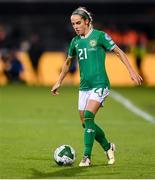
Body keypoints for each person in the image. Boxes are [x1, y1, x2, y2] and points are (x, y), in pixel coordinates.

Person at [51, 7, 143, 167]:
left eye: (78, 22)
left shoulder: (100, 36)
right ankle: (108, 147)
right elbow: (68, 61)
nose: (76, 26)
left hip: (100, 84)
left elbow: (118, 51)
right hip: (84, 86)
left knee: (88, 116)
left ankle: (86, 157)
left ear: (87, 21)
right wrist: (59, 81)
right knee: (86, 123)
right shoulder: (75, 41)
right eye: (73, 24)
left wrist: (131, 70)